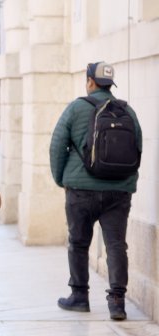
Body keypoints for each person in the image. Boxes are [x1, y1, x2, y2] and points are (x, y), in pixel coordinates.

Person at [50, 61, 142, 320]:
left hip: (80, 188)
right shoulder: (128, 111)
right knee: (116, 245)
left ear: (89, 81)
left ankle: (79, 296)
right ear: (110, 84)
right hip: (119, 192)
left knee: (78, 243)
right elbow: (138, 148)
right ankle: (117, 302)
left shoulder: (77, 108)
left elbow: (57, 144)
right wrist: (126, 183)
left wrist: (61, 179)